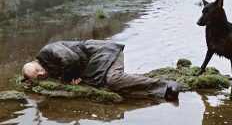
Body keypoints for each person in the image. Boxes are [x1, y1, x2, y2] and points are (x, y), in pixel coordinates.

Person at [22, 39, 179, 101]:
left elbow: (71, 60)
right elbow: (72, 67)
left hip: (104, 52)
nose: (41, 73)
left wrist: (67, 79)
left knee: (113, 79)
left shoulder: (47, 51)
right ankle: (164, 94)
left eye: (37, 69)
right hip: (96, 65)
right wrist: (74, 78)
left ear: (34, 61)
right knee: (107, 88)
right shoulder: (49, 68)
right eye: (37, 76)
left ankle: (166, 83)